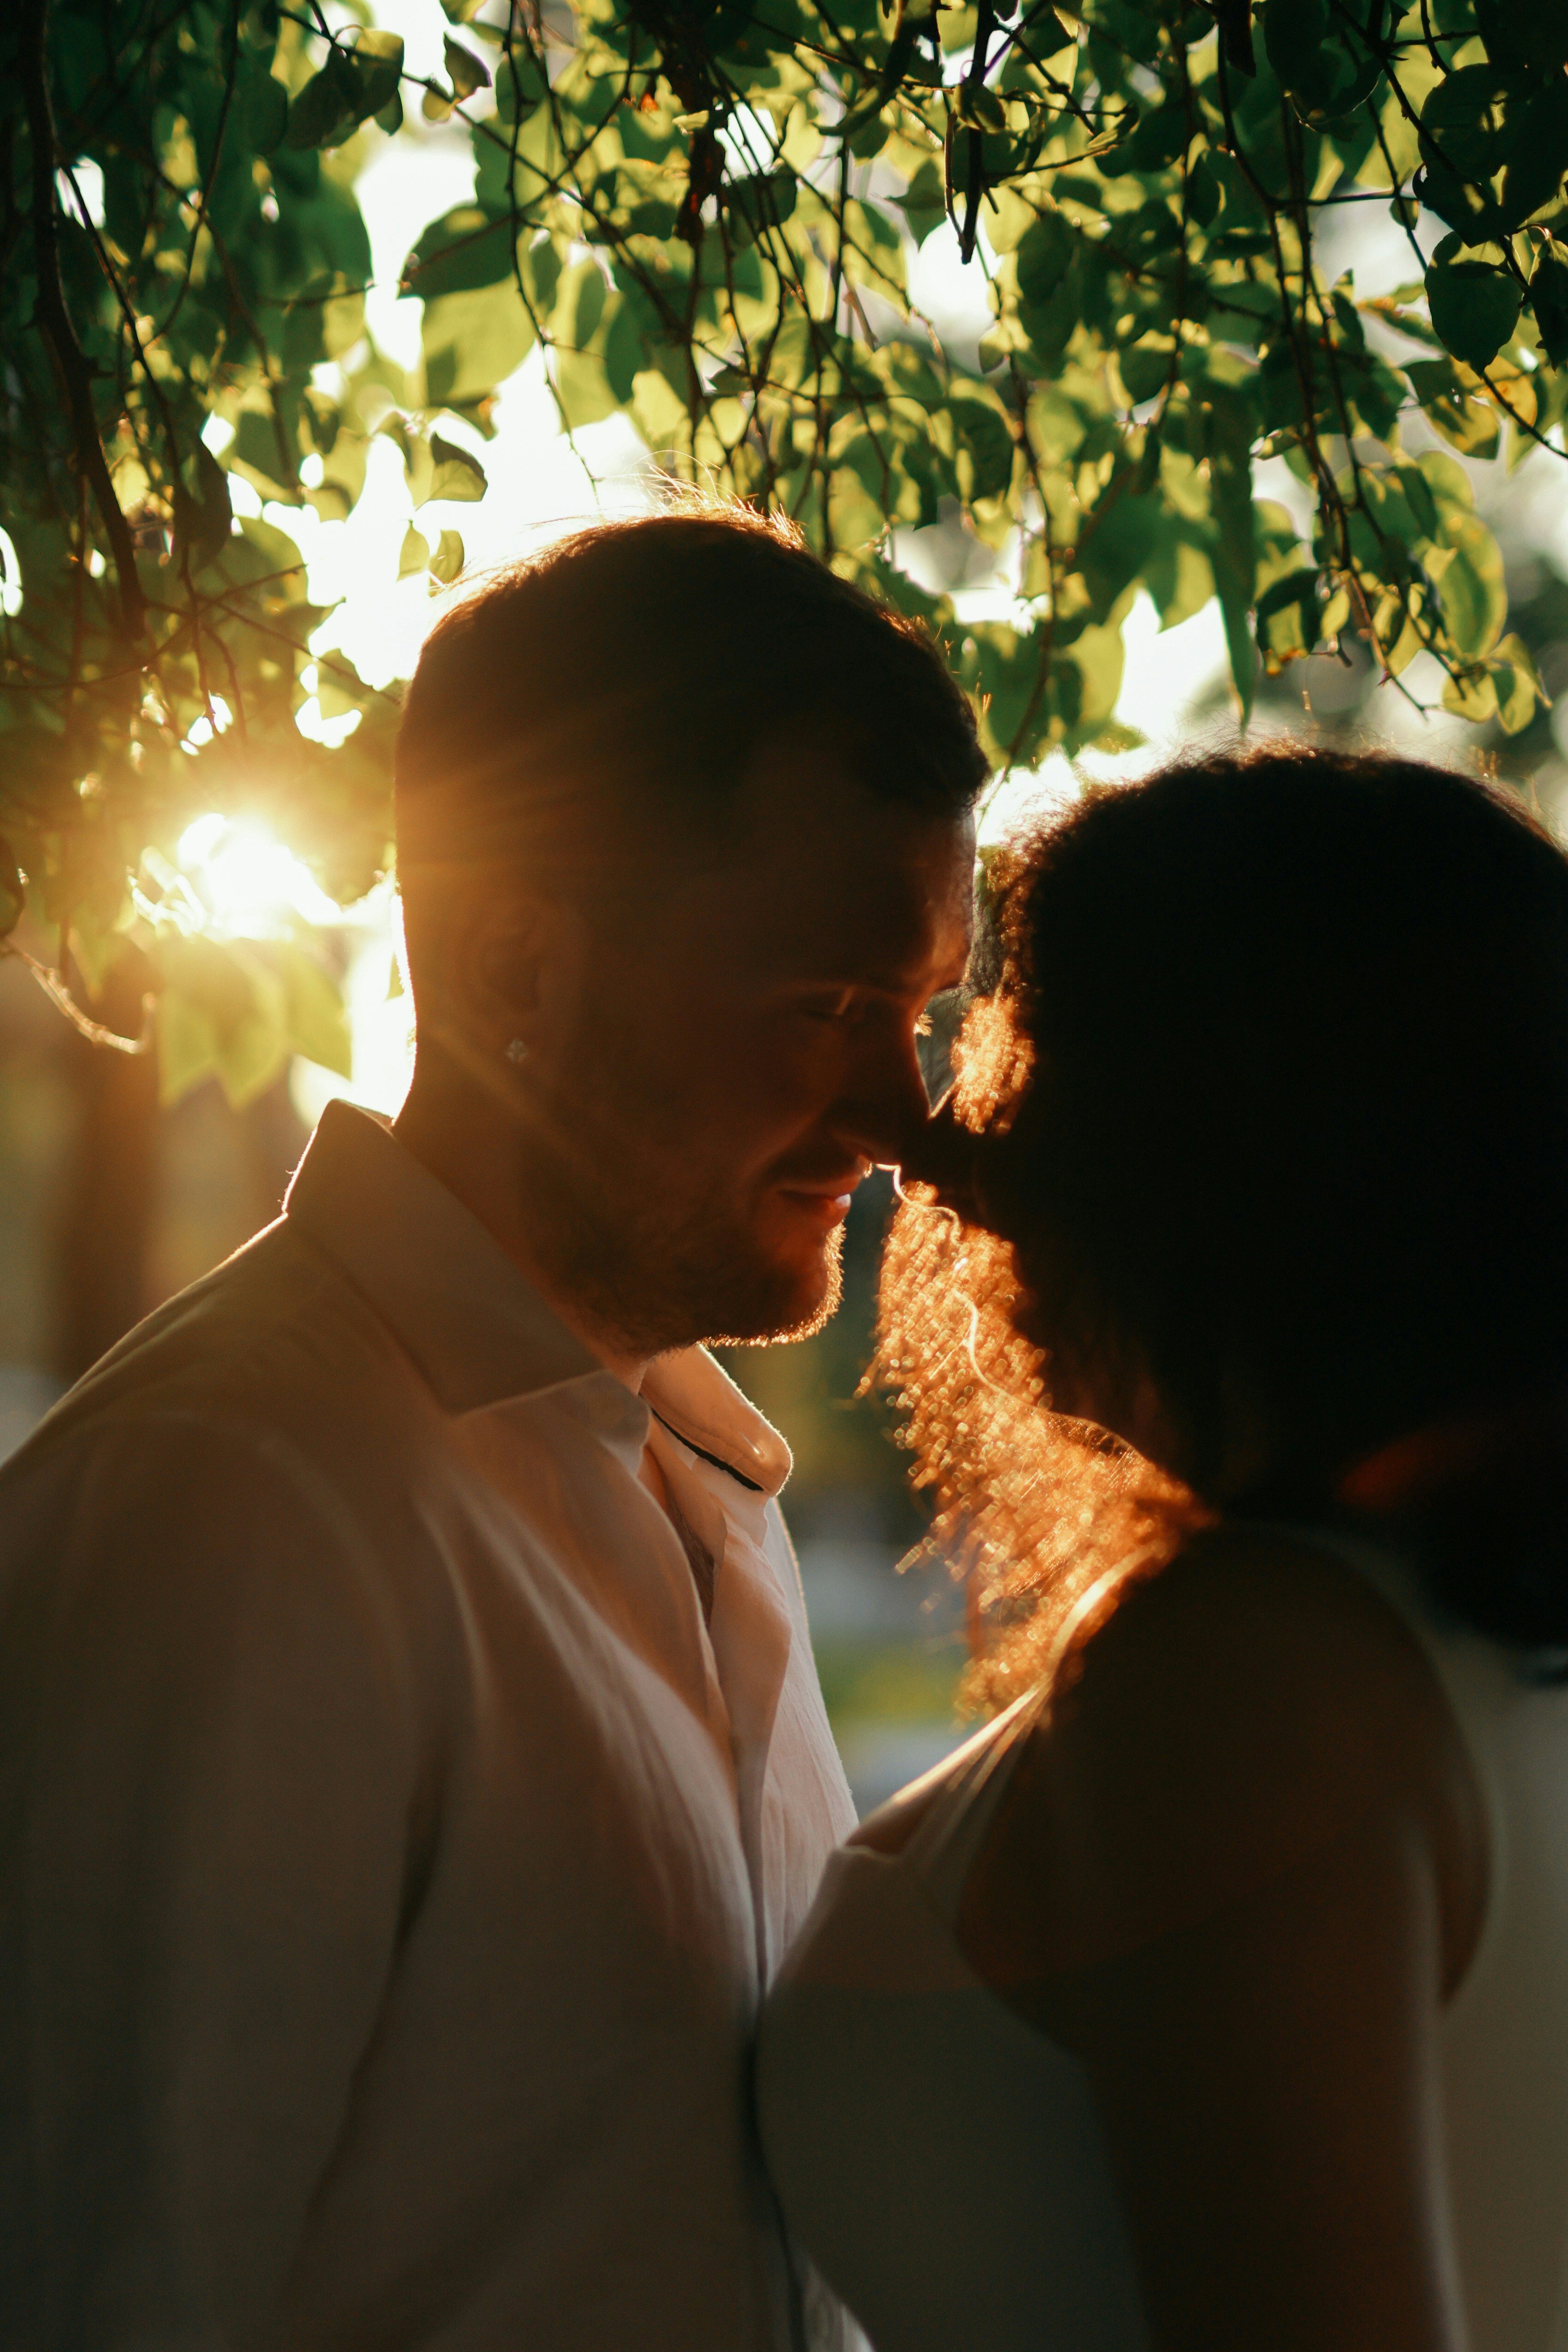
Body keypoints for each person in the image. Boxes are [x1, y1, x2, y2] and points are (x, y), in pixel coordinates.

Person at [0, 507, 983, 2350]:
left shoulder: (690, 1485)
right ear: (519, 968)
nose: (895, 1114)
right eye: (824, 1009)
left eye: (917, 1011)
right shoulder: (233, 1511)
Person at [758, 744, 1568, 2352]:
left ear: (1226, 1126)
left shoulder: (1250, 1673)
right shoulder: (1460, 1636)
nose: (951, 1142)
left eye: (1025, 1054)